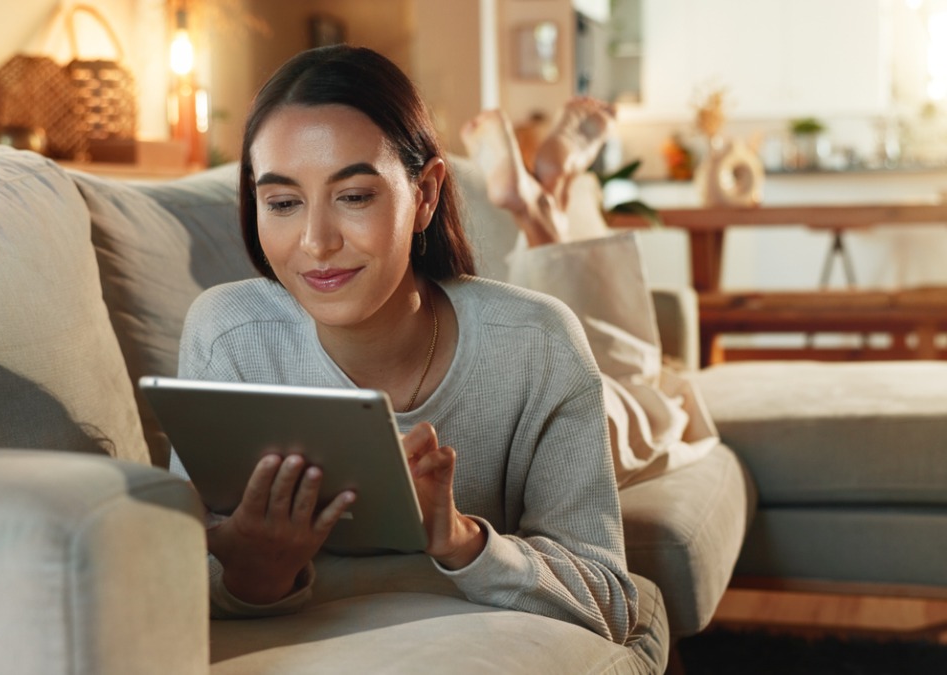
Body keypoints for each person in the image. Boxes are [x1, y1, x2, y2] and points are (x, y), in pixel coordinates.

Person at [173, 45, 640, 646]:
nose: (315, 243)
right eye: (283, 203)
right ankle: (545, 193)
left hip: (620, 413)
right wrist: (256, 571)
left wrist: (460, 538)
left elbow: (608, 602)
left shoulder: (537, 345)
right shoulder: (228, 336)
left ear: (424, 195)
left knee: (639, 381)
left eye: (355, 196)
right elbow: (179, 581)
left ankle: (551, 195)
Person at [459, 101, 720, 489]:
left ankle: (546, 203)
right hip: (568, 393)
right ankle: (544, 203)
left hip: (530, 368)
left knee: (616, 381)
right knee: (644, 402)